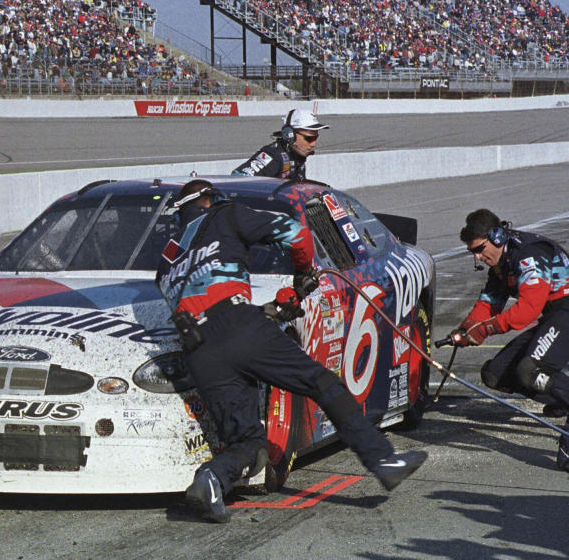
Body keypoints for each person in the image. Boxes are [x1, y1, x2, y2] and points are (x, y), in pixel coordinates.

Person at [156, 179, 426, 523]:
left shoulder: (165, 261)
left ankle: (210, 479)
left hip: (199, 349)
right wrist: (303, 274)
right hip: (237, 323)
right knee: (322, 383)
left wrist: (266, 312)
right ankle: (383, 461)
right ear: (209, 200)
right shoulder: (225, 215)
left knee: (249, 445)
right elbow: (298, 235)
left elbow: (200, 301)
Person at [452, 208, 569, 474]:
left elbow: (526, 311)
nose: (478, 257)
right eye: (473, 253)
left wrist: (484, 330)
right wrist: (466, 330)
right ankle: (563, 396)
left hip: (566, 310)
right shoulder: (500, 264)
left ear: (496, 236)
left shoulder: (528, 256)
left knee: (530, 370)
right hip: (555, 315)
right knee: (496, 375)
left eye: (480, 249)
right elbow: (489, 303)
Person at [231, 109, 328, 180]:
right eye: (309, 138)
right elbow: (237, 179)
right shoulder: (273, 155)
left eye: (315, 138)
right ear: (290, 135)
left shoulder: (297, 158)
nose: (313, 144)